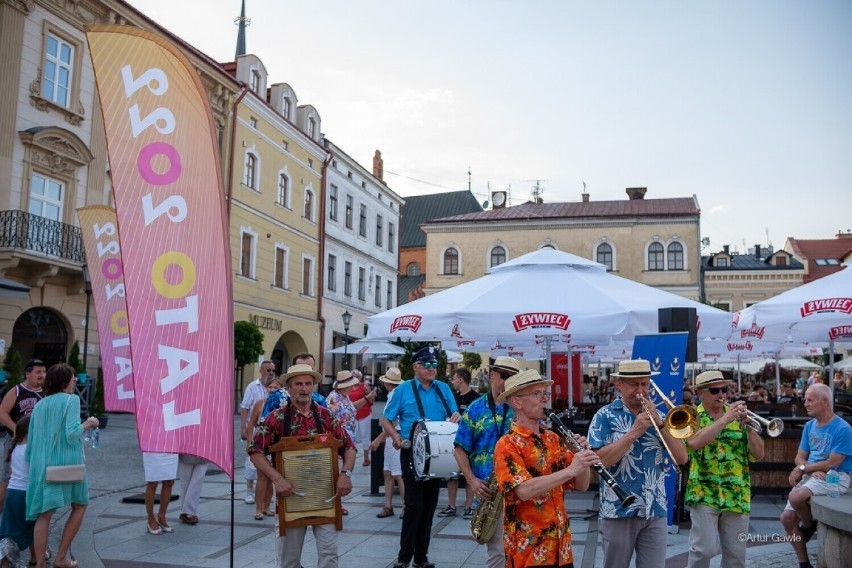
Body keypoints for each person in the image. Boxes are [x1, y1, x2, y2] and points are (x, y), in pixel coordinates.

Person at [249, 364, 356, 568]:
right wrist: (277, 479)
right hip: (290, 499)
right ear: (288, 388)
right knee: (288, 561)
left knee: (329, 557)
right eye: (298, 384)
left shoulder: (326, 416)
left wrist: (346, 474)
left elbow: (349, 447)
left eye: (308, 383)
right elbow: (255, 451)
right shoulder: (276, 418)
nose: (304, 388)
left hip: (325, 497)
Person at [587, 359, 688, 568]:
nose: (640, 390)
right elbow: (598, 462)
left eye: (644, 384)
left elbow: (682, 457)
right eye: (634, 384)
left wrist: (660, 424)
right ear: (619, 385)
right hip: (618, 510)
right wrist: (633, 433)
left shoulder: (659, 416)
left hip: (656, 509)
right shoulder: (604, 417)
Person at [494, 368, 599, 568]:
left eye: (545, 394)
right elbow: (523, 490)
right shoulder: (506, 444)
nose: (545, 400)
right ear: (517, 402)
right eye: (537, 394)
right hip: (530, 551)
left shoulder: (552, 438)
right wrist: (569, 470)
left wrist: (581, 458)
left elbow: (582, 485)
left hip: (561, 549)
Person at [381, 346, 460, 568]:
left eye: (435, 364)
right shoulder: (403, 389)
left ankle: (421, 558)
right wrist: (395, 436)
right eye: (427, 364)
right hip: (411, 451)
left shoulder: (443, 389)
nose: (432, 368)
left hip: (437, 454)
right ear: (416, 367)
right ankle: (404, 557)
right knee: (413, 504)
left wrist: (456, 417)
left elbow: (454, 416)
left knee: (429, 505)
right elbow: (386, 419)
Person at [685, 370, 765, 568]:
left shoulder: (738, 417)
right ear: (700, 393)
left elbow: (759, 454)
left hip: (736, 494)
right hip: (704, 492)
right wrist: (724, 420)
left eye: (724, 389)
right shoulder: (691, 416)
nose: (721, 394)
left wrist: (749, 428)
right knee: (702, 550)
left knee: (736, 557)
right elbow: (693, 443)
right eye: (715, 390)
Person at [26, 363, 99, 568]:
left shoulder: (40, 404)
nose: (75, 380)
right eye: (73, 377)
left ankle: (40, 563)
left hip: (42, 466)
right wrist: (89, 423)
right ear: (66, 380)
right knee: (80, 505)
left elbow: (31, 441)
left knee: (44, 514)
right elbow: (72, 433)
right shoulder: (72, 400)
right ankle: (60, 557)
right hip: (68, 464)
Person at [454, 356, 520, 568]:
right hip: (490, 493)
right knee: (498, 553)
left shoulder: (522, 408)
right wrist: (472, 481)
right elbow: (459, 448)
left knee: (520, 551)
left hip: (520, 490)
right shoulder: (475, 409)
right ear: (492, 375)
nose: (509, 380)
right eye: (505, 376)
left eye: (514, 376)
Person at [780, 383, 852, 568]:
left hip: (836, 477)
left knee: (795, 496)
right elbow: (799, 457)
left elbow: (832, 464)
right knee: (786, 519)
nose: (805, 403)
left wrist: (804, 469)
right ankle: (804, 563)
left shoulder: (843, 429)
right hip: (814, 475)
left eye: (810, 400)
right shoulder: (809, 426)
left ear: (825, 401)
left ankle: (808, 525)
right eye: (806, 400)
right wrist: (807, 468)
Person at [0, 359, 46, 513]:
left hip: (37, 443)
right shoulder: (17, 390)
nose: (42, 375)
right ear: (28, 374)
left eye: (44, 372)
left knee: (33, 479)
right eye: (38, 372)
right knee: (8, 479)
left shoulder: (46, 393)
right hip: (15, 442)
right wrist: (16, 429)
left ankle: (24, 514)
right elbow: (2, 413)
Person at [438, 367, 479, 519]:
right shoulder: (453, 397)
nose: (453, 382)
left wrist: (464, 420)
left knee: (469, 474)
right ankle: (451, 505)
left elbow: (478, 420)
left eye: (454, 379)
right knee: (451, 474)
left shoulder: (476, 398)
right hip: (452, 440)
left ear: (461, 380)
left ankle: (469, 506)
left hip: (470, 442)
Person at [0, 415, 36, 566]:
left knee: (9, 528)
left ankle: (6, 561)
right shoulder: (30, 449)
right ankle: (7, 561)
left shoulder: (15, 448)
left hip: (12, 493)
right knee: (29, 527)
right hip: (25, 494)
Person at [370, 368, 405, 519]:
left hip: (395, 437)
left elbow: (393, 421)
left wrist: (379, 438)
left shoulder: (394, 396)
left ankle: (405, 506)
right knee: (389, 473)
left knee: (397, 474)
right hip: (393, 437)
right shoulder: (395, 395)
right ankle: (389, 505)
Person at [247, 374, 282, 520]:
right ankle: (258, 508)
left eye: (276, 387)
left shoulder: (282, 405)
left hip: (276, 444)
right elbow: (251, 426)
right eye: (270, 387)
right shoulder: (260, 403)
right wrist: (250, 443)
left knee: (271, 477)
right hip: (261, 443)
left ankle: (267, 506)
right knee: (262, 476)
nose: (273, 389)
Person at [241, 360, 276, 505]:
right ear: (261, 371)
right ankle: (249, 491)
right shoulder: (252, 386)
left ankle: (264, 495)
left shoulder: (275, 388)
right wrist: (243, 427)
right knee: (251, 462)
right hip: (254, 430)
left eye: (273, 370)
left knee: (267, 464)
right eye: (268, 370)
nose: (271, 372)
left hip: (269, 433)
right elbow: (244, 407)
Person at [142, 452, 177, 535]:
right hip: (152, 446)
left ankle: (162, 517)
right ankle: (150, 519)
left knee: (169, 482)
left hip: (171, 445)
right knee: (152, 483)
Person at [347, 370, 375, 467]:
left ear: (360, 378)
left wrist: (368, 393)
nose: (355, 378)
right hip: (352, 415)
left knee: (365, 437)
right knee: (351, 436)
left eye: (357, 377)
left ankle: (366, 458)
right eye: (353, 376)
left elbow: (372, 401)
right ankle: (350, 458)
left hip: (365, 413)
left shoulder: (364, 386)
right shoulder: (348, 386)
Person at [177, 454, 208, 526]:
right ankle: (186, 512)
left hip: (204, 451)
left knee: (197, 482)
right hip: (186, 450)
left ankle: (188, 512)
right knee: (185, 483)